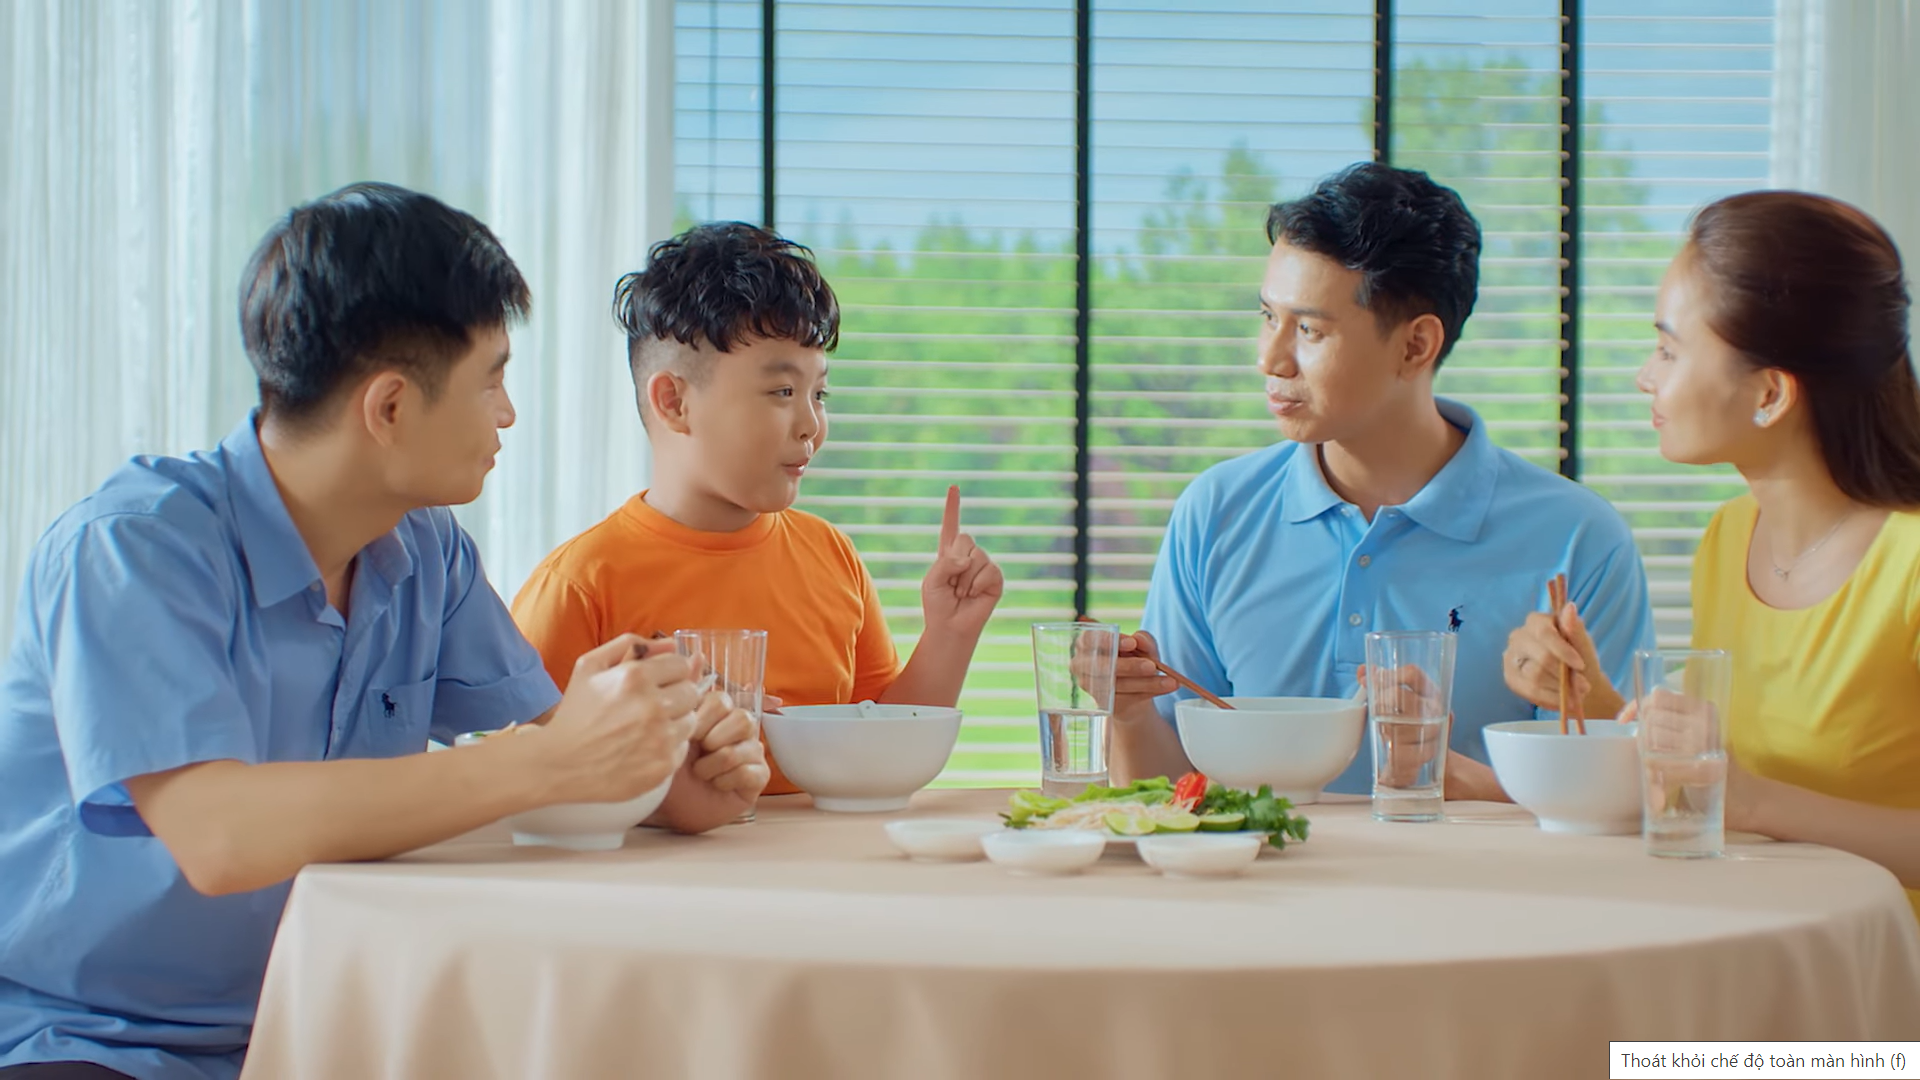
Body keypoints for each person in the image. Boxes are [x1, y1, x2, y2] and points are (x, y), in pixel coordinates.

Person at [0, 183, 767, 1080]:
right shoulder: (133, 550)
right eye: (492, 379)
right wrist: (555, 759)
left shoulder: (426, 549)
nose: (508, 413)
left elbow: (554, 744)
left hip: (340, 1023)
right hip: (96, 1041)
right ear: (391, 408)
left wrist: (670, 776)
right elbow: (218, 837)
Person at [1110, 162, 1656, 795]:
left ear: (1416, 346)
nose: (1269, 358)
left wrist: (1435, 770)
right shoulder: (1215, 512)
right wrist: (1128, 715)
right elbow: (1170, 794)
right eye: (1267, 316)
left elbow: (1604, 802)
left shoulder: (1578, 540)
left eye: (1308, 329)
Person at [1503, 190, 1920, 919]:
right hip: (1751, 942)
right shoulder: (1728, 539)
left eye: (1669, 350)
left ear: (1769, 393)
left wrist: (1754, 800)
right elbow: (1704, 787)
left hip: (1877, 972)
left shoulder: (1909, 563)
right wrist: (1595, 702)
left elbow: (1742, 796)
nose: (1645, 376)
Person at [511, 222, 1004, 796]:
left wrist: (949, 633)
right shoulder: (578, 586)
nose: (811, 425)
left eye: (819, 394)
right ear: (674, 402)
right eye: (782, 392)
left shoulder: (831, 556)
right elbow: (532, 782)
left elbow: (881, 749)